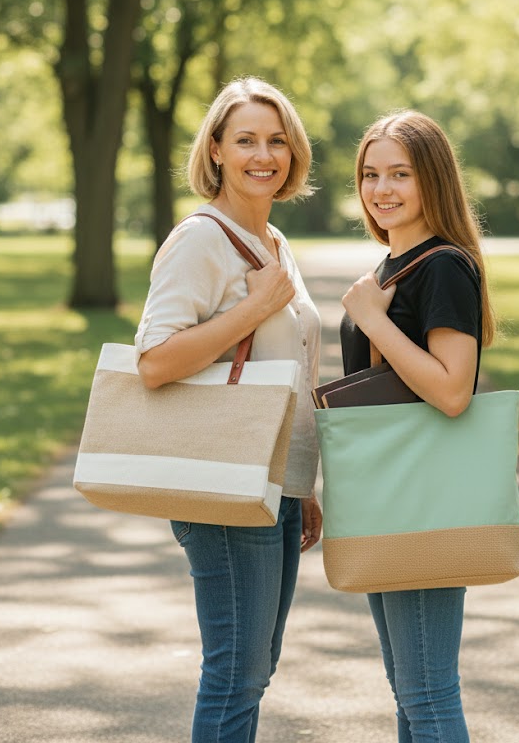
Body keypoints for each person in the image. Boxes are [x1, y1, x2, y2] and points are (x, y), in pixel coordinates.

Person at [135, 76, 322, 743]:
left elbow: (291, 365)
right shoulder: (200, 239)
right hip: (224, 480)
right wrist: (252, 308)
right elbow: (154, 360)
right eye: (246, 140)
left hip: (275, 483)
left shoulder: (274, 241)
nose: (263, 155)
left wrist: (302, 484)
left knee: (254, 667)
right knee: (236, 672)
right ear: (215, 149)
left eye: (277, 141)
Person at [339, 109, 496, 743]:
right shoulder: (391, 268)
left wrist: (373, 321)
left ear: (433, 179)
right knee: (411, 692)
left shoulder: (442, 267)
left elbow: (453, 391)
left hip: (420, 494)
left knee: (427, 693)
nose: (382, 189)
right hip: (386, 490)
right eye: (370, 174)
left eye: (400, 174)